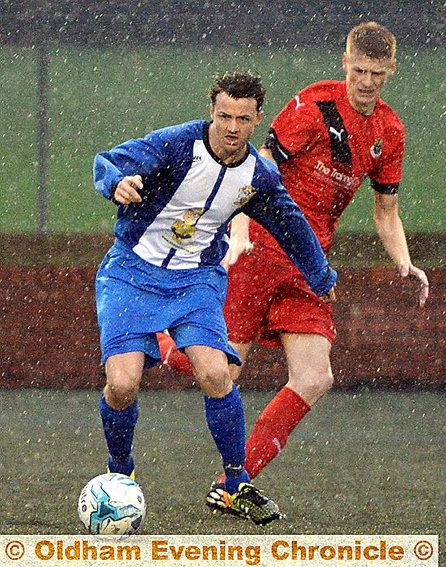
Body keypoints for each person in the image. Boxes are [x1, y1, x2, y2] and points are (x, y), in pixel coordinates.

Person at [156, 22, 430, 516]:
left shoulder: (390, 131)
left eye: (377, 73)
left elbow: (385, 212)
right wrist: (239, 229)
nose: (366, 81)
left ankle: (230, 485)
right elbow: (256, 165)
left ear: (391, 71)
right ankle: (159, 331)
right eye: (359, 70)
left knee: (315, 376)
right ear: (345, 63)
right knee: (221, 370)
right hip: (262, 246)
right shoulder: (314, 105)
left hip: (310, 263)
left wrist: (404, 262)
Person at [93, 71, 337, 526]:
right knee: (122, 385)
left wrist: (320, 276)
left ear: (257, 120)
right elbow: (108, 161)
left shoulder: (258, 176)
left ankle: (234, 482)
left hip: (197, 280)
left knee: (215, 372)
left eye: (243, 119)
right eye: (224, 115)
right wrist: (116, 184)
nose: (231, 127)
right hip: (130, 271)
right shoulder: (176, 144)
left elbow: (290, 223)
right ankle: (120, 474)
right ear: (212, 112)